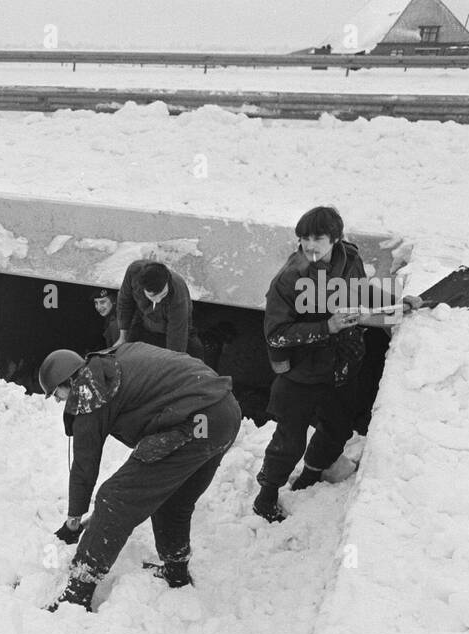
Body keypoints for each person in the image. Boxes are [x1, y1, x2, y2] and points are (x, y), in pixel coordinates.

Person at [40, 341, 241, 612]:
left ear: (69, 382)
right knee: (174, 499)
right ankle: (176, 572)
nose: (58, 400)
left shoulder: (88, 390)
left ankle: (78, 592)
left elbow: (84, 466)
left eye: (56, 394)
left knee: (114, 498)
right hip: (222, 414)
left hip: (194, 422)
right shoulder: (113, 360)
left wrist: (73, 521)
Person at [252, 206, 420, 522]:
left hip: (343, 366)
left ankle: (311, 476)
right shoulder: (290, 280)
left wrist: (396, 303)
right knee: (288, 441)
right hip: (301, 373)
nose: (309, 246)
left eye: (317, 238)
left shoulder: (349, 260)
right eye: (303, 239)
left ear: (336, 239)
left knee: (337, 428)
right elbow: (275, 335)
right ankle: (266, 495)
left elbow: (360, 293)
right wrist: (325, 327)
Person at [115, 260, 205, 360]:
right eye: (152, 296)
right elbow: (125, 301)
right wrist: (123, 337)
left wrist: (172, 362)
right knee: (124, 356)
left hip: (172, 331)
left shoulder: (177, 291)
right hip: (144, 323)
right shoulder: (133, 272)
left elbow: (177, 333)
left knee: (186, 359)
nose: (158, 300)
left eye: (163, 294)